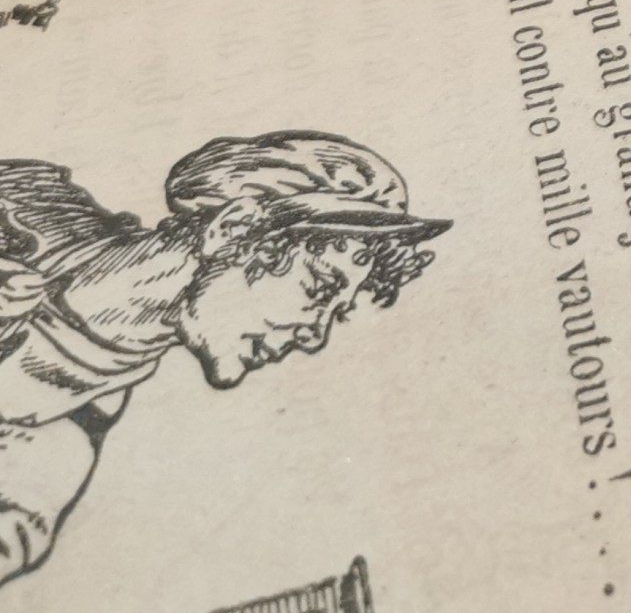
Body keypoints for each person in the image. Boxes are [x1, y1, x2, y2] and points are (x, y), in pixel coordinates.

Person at [0, 131, 448, 588]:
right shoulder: (22, 200)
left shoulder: (57, 447)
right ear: (232, 228)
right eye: (319, 288)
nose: (315, 335)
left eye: (338, 311)